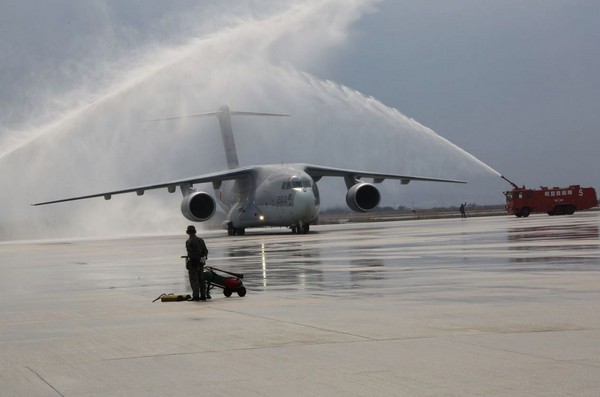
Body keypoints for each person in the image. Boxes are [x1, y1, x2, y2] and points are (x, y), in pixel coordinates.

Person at [185, 225, 209, 301]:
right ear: (195, 231)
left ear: (188, 232)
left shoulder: (189, 241)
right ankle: (203, 295)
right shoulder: (200, 240)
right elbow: (205, 251)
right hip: (200, 263)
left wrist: (193, 261)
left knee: (194, 280)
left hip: (193, 263)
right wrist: (203, 258)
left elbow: (191, 254)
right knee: (201, 279)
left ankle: (195, 296)